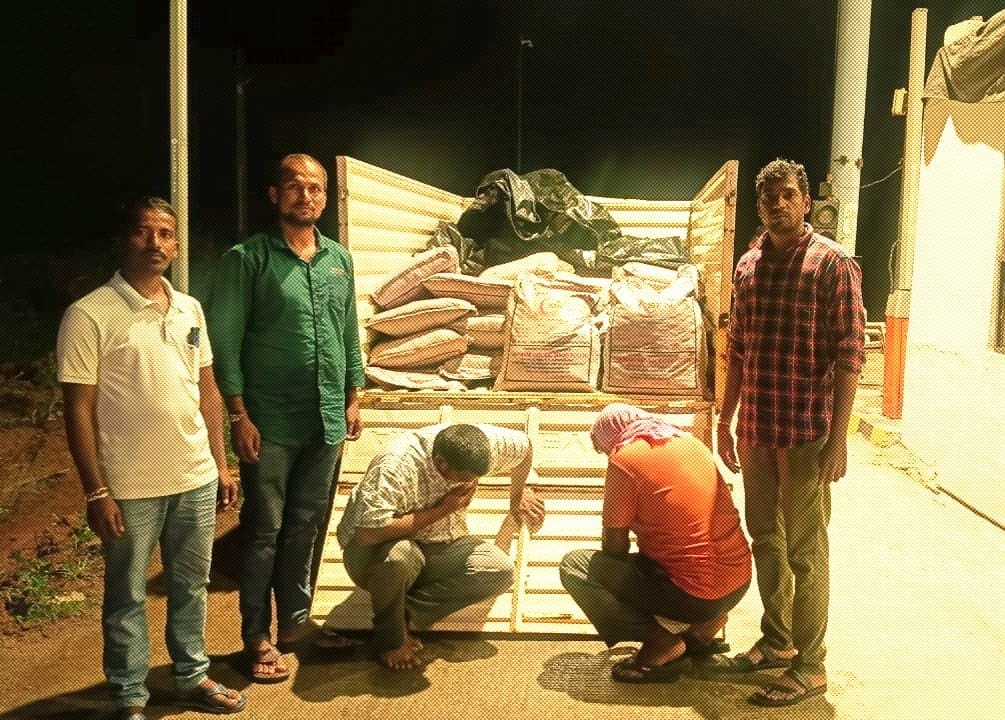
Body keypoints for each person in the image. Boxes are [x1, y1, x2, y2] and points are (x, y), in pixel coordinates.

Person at [57, 197, 247, 719]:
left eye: (165, 234)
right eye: (143, 232)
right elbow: (78, 410)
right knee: (127, 596)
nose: (155, 243)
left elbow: (207, 390)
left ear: (177, 245)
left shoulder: (189, 309)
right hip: (129, 487)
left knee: (191, 586)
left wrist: (221, 464)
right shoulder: (89, 314)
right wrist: (96, 491)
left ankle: (191, 676)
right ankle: (129, 696)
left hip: (195, 477)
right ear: (124, 239)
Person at [207, 154, 365, 682]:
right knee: (263, 530)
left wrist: (353, 395)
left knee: (306, 525)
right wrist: (238, 415)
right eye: (295, 186)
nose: (306, 196)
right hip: (269, 421)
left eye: (316, 188)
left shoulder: (338, 259)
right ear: (275, 195)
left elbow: (348, 330)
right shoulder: (247, 260)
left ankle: (295, 623)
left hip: (326, 418)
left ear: (325, 197)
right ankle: (256, 635)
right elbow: (225, 342)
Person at [714, 158, 865, 707]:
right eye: (768, 197)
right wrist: (725, 419)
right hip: (757, 428)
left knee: (806, 550)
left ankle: (811, 666)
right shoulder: (748, 266)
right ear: (759, 207)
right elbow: (738, 348)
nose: (777, 204)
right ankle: (778, 642)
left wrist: (839, 439)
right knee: (766, 539)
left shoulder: (832, 264)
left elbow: (850, 356)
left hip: (806, 434)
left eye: (787, 195)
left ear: (805, 202)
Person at [558, 403, 751, 684]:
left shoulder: (624, 459)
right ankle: (703, 630)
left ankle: (661, 643)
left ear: (610, 437)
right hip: (738, 584)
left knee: (575, 567)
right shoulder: (691, 442)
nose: (607, 455)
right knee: (681, 557)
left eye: (603, 449)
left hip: (695, 596)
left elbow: (614, 548)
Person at [336, 423, 546, 670]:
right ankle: (390, 639)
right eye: (465, 478)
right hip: (373, 553)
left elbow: (525, 449)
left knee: (498, 569)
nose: (471, 482)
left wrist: (517, 497)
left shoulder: (489, 444)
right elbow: (368, 534)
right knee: (400, 556)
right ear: (441, 463)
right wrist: (445, 509)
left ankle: (402, 615)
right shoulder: (395, 467)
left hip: (436, 543)